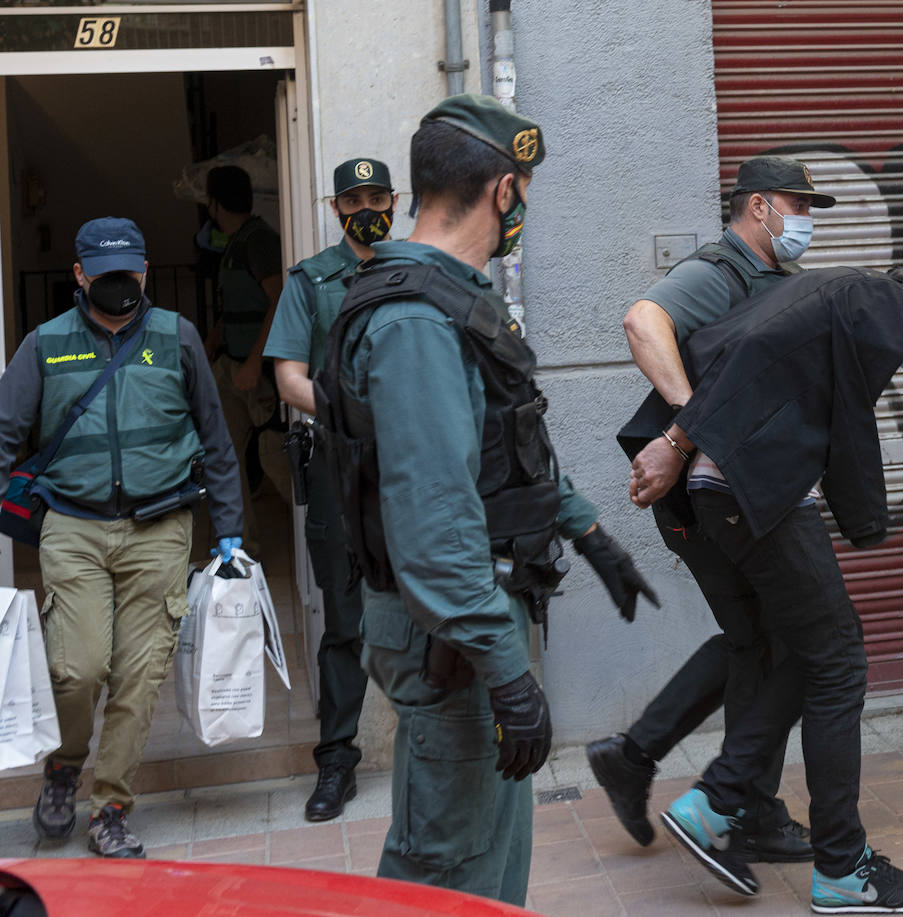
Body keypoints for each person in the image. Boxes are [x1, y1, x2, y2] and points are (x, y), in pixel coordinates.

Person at [310, 95, 655, 903]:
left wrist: (591, 532)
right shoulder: (418, 322)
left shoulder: (444, 297)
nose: (522, 208)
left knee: (489, 855)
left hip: (469, 621)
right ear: (504, 192)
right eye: (524, 191)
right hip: (455, 632)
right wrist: (505, 671)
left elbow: (500, 450)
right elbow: (436, 523)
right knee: (444, 870)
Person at [646, 263, 903, 914]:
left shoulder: (822, 290)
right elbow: (850, 424)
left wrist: (679, 440)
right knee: (842, 659)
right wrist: (865, 519)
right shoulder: (881, 302)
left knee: (810, 651)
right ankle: (841, 868)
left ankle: (718, 798)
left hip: (727, 486)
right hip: (755, 485)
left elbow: (728, 352)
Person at [587, 156, 833, 861]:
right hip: (704, 494)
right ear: (758, 206)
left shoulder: (771, 278)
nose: (807, 220)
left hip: (735, 493)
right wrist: (692, 423)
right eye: (799, 204)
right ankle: (742, 804)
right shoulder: (717, 272)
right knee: (771, 640)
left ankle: (642, 757)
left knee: (756, 637)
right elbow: (642, 321)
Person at [0, 217, 243, 858]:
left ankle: (110, 806)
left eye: (129, 273)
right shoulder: (45, 343)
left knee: (138, 678)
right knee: (77, 669)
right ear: (79, 275)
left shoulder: (177, 337)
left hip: (160, 528)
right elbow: (3, 433)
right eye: (105, 275)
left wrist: (230, 532)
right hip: (73, 527)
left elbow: (216, 439)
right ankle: (64, 766)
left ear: (142, 270)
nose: (121, 284)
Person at [264, 157, 397, 822]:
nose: (365, 207)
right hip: (340, 466)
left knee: (434, 603)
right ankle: (338, 760)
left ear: (395, 200)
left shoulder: (419, 271)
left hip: (411, 468)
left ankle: (442, 743)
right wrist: (351, 414)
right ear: (336, 207)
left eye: (376, 196)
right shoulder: (311, 281)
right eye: (354, 199)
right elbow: (288, 378)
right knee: (345, 621)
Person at [204, 165, 291, 550]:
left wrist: (256, 362)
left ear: (214, 204)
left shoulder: (258, 241)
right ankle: (240, 550)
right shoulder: (236, 243)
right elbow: (241, 307)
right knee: (224, 457)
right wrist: (212, 341)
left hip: (261, 371)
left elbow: (279, 300)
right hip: (231, 366)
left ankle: (326, 535)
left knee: (275, 457)